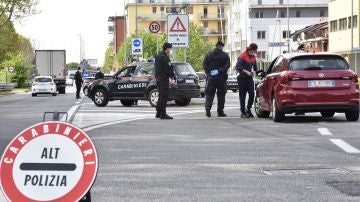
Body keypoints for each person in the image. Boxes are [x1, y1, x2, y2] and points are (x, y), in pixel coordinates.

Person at [203, 41, 230, 117]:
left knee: (209, 93)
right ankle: (220, 112)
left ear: (216, 46)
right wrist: (219, 71)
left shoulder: (208, 54)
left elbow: (204, 65)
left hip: (211, 78)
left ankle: (208, 108)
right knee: (221, 95)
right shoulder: (225, 55)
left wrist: (209, 72)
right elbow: (227, 66)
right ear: (221, 46)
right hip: (221, 78)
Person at [236, 43, 258, 118]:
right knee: (242, 96)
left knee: (252, 94)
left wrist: (258, 72)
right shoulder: (243, 55)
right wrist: (247, 72)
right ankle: (242, 112)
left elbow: (255, 68)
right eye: (254, 51)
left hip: (249, 79)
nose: (255, 52)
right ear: (250, 49)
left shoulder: (254, 57)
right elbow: (238, 67)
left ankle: (248, 109)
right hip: (242, 78)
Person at [154, 42, 176, 120]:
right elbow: (168, 68)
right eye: (170, 48)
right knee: (164, 96)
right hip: (163, 79)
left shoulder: (157, 56)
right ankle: (163, 114)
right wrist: (173, 76)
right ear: (167, 49)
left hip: (158, 79)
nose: (170, 50)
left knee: (161, 95)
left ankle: (158, 113)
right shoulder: (164, 57)